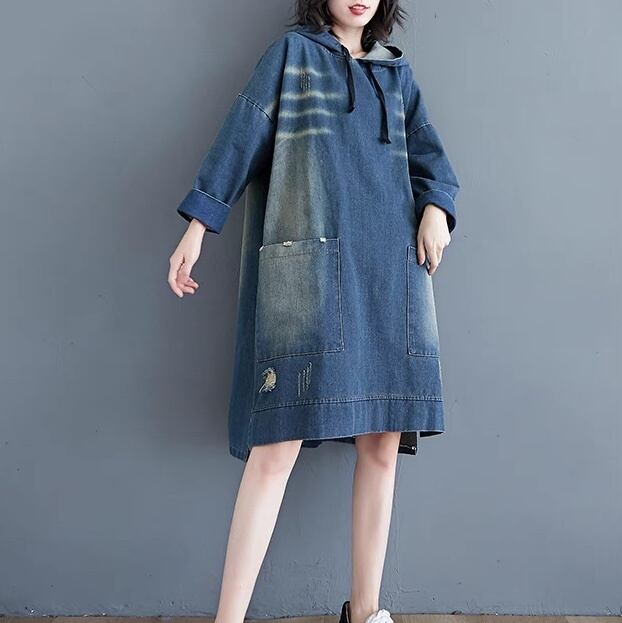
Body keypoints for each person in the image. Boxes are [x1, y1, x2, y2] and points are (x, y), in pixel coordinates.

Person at [167, 1, 460, 623]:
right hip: (312, 275)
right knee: (277, 448)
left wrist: (437, 208)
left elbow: (432, 161)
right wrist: (198, 225)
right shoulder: (292, 56)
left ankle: (367, 611)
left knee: (382, 445)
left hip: (391, 276)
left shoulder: (395, 73)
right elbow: (241, 136)